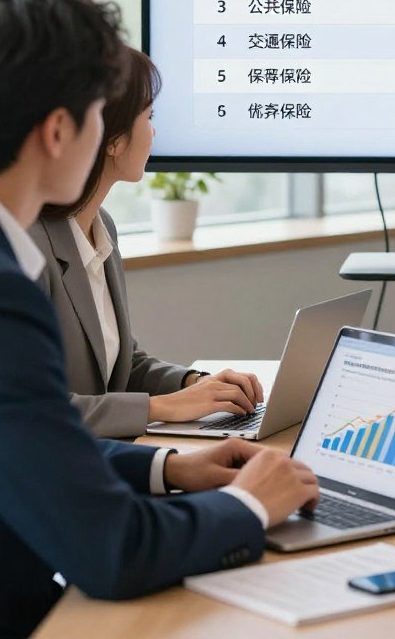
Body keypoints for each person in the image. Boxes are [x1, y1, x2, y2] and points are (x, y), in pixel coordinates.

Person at [0, 0, 319, 639]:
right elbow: (112, 549)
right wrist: (246, 507)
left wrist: (168, 466)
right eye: (101, 111)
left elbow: (23, 447)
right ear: (60, 130)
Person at [30, 47, 263, 439]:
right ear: (113, 140)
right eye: (149, 117)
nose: (155, 131)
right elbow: (33, 409)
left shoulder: (101, 226)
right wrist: (161, 408)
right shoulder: (30, 246)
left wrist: (195, 383)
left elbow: (124, 365)